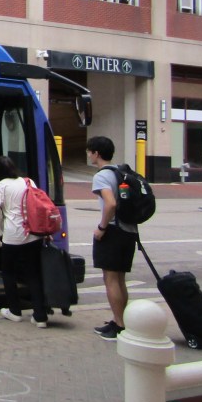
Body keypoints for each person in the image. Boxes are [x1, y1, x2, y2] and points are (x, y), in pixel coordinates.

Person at [0, 156, 49, 328]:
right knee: (33, 274)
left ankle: (14, 311)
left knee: (8, 272)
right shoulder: (28, 182)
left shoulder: (0, 186)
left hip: (13, 236)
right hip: (33, 234)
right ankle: (40, 316)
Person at [86, 135, 138, 340]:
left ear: (96, 153)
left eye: (89, 151)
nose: (88, 154)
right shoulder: (121, 172)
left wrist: (102, 227)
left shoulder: (102, 176)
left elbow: (111, 204)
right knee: (120, 278)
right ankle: (121, 321)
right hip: (128, 231)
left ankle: (119, 325)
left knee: (110, 279)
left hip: (113, 232)